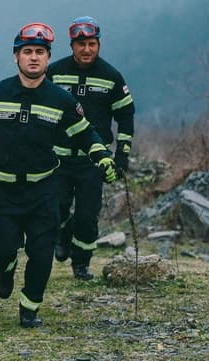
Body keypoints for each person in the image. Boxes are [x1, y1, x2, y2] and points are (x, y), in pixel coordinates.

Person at [0, 22, 117, 328]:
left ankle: (29, 307)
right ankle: (4, 268)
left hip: (44, 191)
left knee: (42, 253)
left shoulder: (62, 101)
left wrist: (102, 158)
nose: (34, 57)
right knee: (3, 250)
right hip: (3, 192)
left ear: (47, 58)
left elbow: (86, 135)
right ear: (16, 57)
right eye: (28, 51)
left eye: (40, 52)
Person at [47, 16, 135, 280]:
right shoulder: (54, 72)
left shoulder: (111, 77)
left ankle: (81, 264)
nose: (87, 49)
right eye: (82, 44)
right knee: (56, 208)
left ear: (99, 44)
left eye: (92, 44)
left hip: (93, 162)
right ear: (72, 45)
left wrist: (122, 155)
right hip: (58, 160)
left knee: (87, 216)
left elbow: (126, 116)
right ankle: (62, 235)